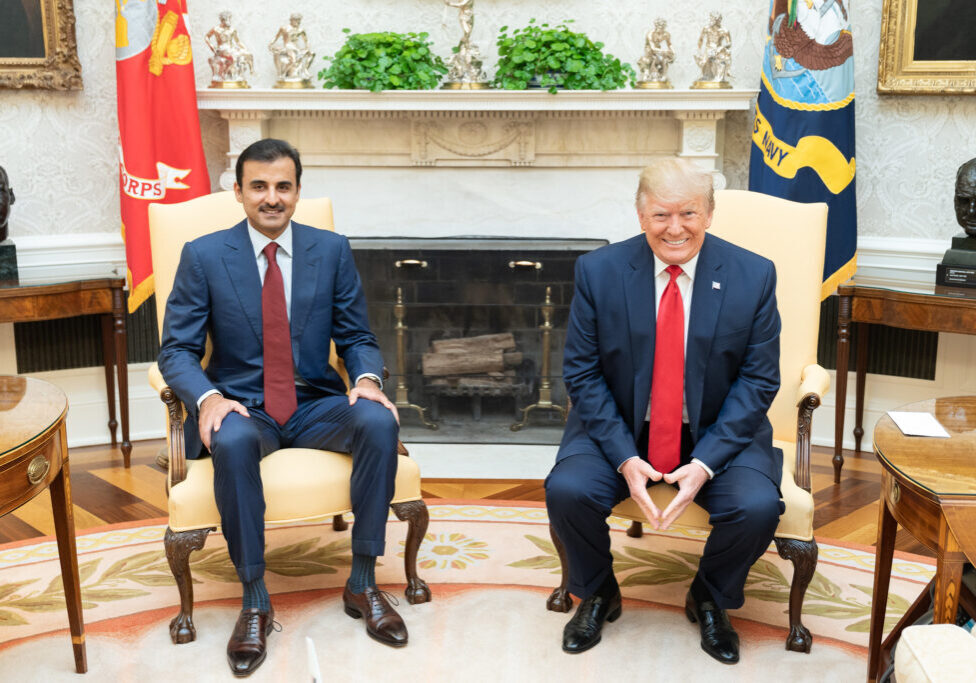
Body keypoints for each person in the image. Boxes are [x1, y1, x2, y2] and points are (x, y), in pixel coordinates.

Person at [158, 139, 405, 677]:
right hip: (245, 405)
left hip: (315, 402)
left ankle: (363, 581)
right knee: (232, 438)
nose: (272, 198)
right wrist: (208, 397)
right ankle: (254, 599)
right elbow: (176, 350)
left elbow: (358, 334)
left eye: (283, 187)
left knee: (378, 419)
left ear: (297, 191)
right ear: (240, 191)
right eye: (260, 187)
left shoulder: (331, 249)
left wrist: (364, 378)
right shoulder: (205, 255)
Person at [545, 158, 784, 664]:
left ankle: (711, 595)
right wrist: (624, 458)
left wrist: (705, 463)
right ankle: (598, 591)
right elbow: (583, 374)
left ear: (710, 213)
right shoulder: (598, 272)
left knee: (757, 507)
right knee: (567, 491)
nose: (675, 228)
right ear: (639, 215)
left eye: (689, 213)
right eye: (660, 215)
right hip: (621, 426)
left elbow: (759, 379)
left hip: (717, 431)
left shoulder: (753, 275)